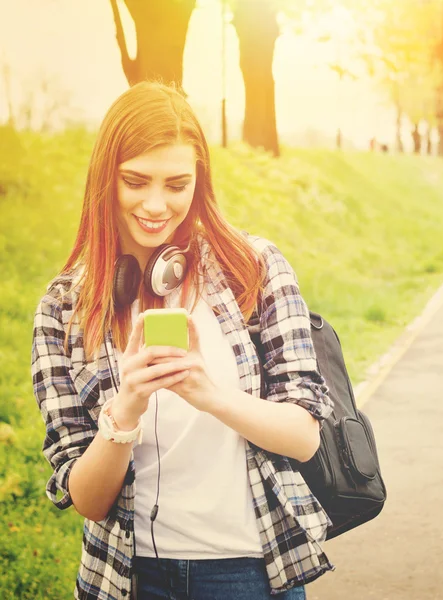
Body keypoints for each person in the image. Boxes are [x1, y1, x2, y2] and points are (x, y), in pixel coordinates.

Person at [31, 81, 335, 600]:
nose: (155, 204)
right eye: (135, 181)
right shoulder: (64, 306)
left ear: (199, 182)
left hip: (245, 571)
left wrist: (210, 394)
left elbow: (304, 436)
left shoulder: (253, 269)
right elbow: (88, 500)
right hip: (125, 578)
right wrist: (125, 408)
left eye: (176, 184)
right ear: (107, 178)